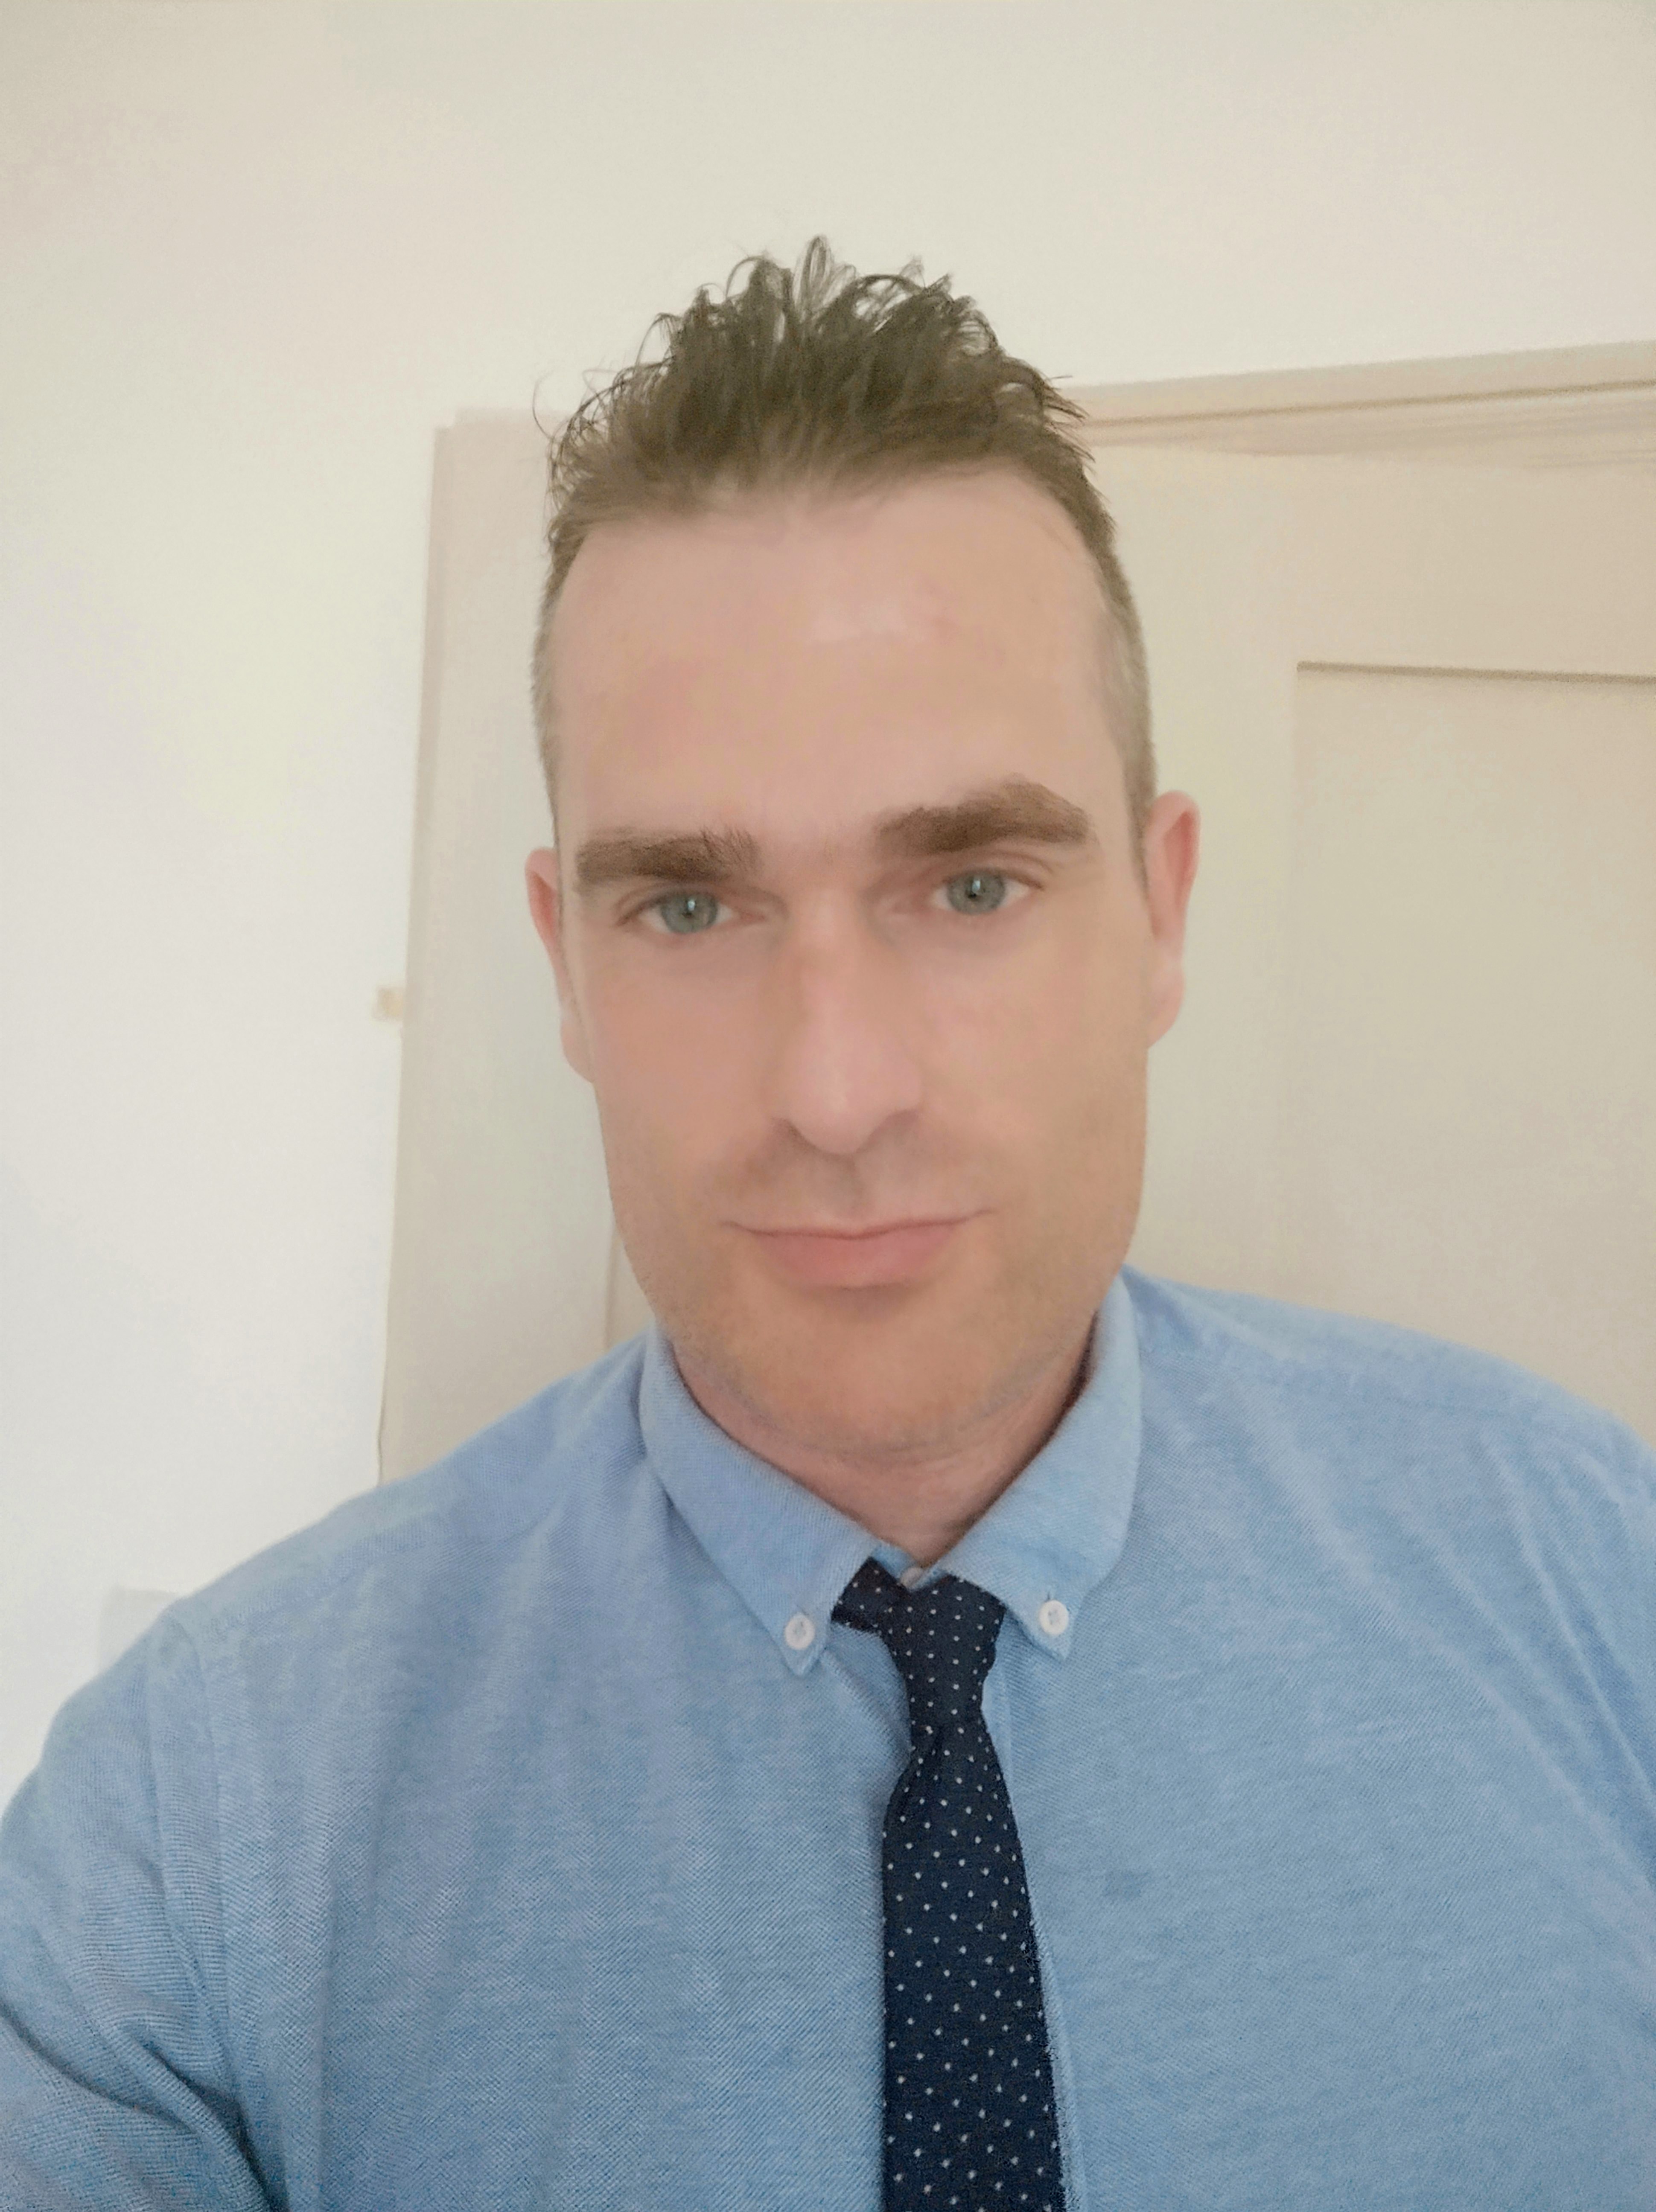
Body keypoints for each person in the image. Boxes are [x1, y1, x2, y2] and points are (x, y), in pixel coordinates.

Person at [3, 239, 1654, 2212]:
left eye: (971, 885)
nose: (838, 1091)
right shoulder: (196, 1825)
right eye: (690, 907)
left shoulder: (1597, 1579)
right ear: (564, 963)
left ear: (1162, 913)